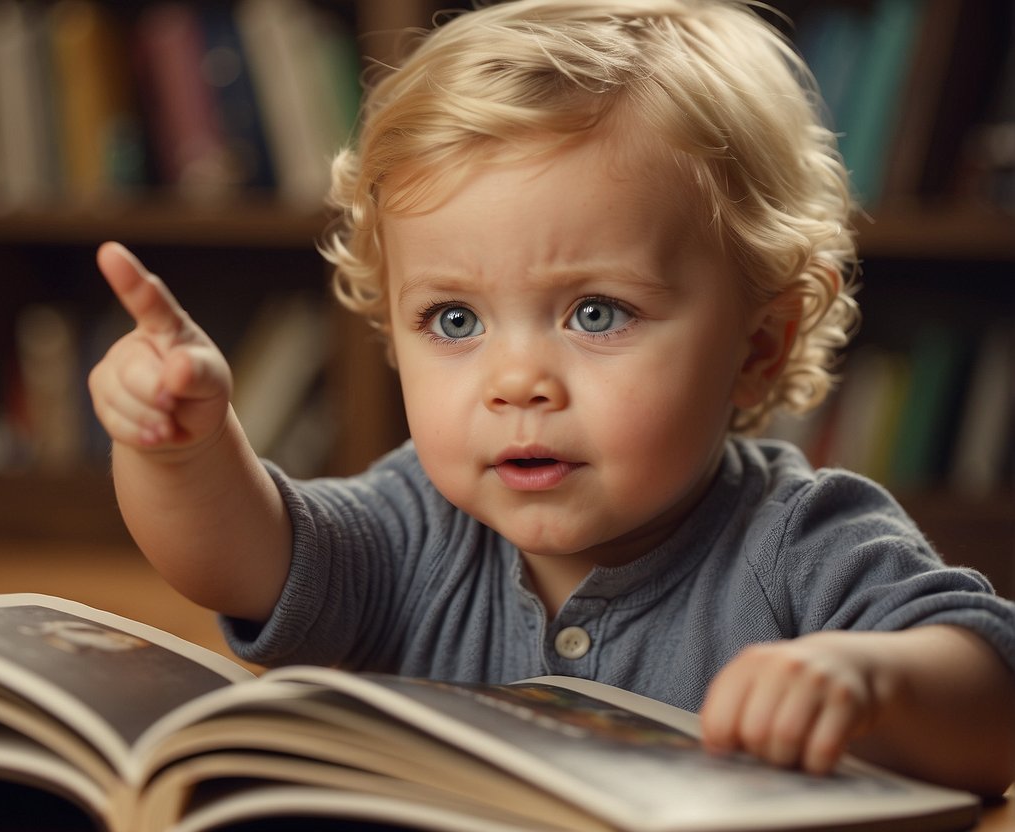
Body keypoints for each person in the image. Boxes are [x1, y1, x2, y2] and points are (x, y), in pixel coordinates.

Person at [88, 0, 1015, 795]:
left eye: (596, 311)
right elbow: (237, 560)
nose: (515, 381)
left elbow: (992, 705)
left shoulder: (802, 543)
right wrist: (181, 452)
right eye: (454, 321)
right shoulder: (411, 525)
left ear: (757, 344)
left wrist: (868, 680)